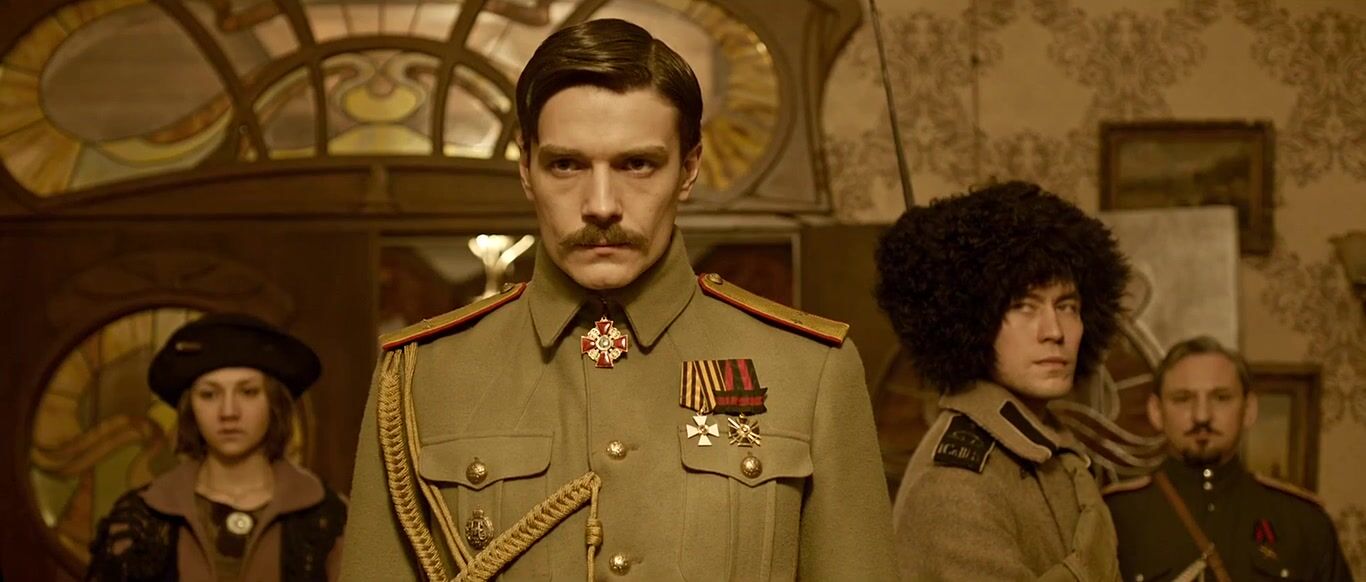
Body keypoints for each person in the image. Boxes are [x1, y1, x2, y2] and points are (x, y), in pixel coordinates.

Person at [339, 18, 897, 581]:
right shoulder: (424, 376)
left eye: (637, 164)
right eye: (566, 164)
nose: (601, 204)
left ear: (689, 169)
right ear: (526, 170)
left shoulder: (807, 370)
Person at [876, 180, 1129, 580]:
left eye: (1067, 306)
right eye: (1024, 306)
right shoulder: (956, 486)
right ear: (972, 321)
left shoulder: (1048, 449)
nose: (1054, 331)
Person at [86, 313, 346, 582]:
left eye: (248, 392)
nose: (228, 412)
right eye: (209, 394)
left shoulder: (327, 517)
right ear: (190, 407)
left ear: (273, 402)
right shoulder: (140, 519)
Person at [1103, 336, 1354, 581]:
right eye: (1183, 399)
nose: (1202, 416)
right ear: (1156, 411)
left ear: (1249, 410)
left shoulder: (1303, 522)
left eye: (1221, 398)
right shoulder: (1112, 518)